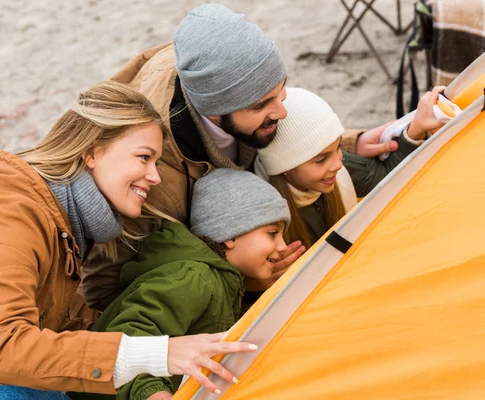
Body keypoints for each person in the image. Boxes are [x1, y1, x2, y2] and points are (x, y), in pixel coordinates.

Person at [0, 81, 257, 400]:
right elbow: (6, 348)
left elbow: (77, 335)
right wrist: (161, 352)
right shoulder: (10, 217)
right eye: (144, 158)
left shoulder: (68, 227)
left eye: (157, 163)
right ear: (91, 151)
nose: (154, 177)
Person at [84, 3, 398, 311]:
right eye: (260, 105)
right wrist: (241, 281)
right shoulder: (151, 176)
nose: (282, 111)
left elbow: (282, 125)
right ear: (213, 110)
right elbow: (104, 292)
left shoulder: (210, 58)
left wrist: (350, 142)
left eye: (282, 89)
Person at [70, 169, 290, 400]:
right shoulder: (195, 278)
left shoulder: (226, 282)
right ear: (231, 235)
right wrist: (152, 393)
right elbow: (131, 334)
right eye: (272, 233)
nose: (283, 246)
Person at [254, 86, 446, 248]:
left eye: (338, 147)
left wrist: (415, 131)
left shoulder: (342, 171)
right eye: (321, 160)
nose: (338, 164)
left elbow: (386, 178)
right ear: (284, 167)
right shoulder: (260, 217)